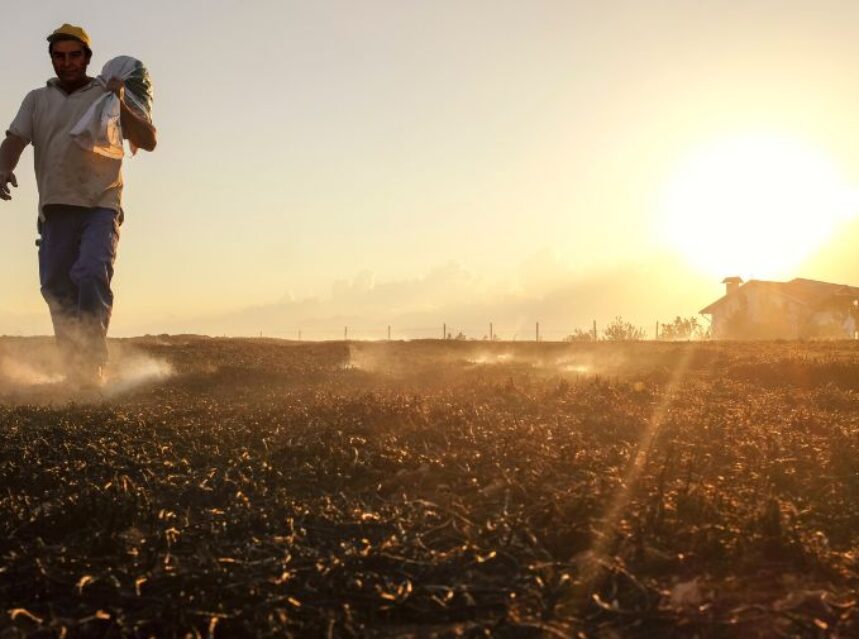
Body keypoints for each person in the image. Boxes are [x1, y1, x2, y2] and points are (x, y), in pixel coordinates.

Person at [0, 24, 156, 387]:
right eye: (60, 56)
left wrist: (120, 100)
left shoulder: (105, 94)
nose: (67, 63)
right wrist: (4, 167)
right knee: (55, 284)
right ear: (53, 59)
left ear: (87, 57)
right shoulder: (36, 99)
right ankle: (73, 360)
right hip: (56, 204)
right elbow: (15, 139)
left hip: (101, 202)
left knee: (90, 272)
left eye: (75, 55)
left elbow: (147, 140)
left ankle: (92, 364)